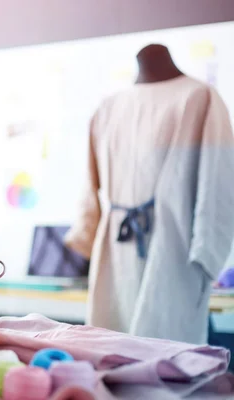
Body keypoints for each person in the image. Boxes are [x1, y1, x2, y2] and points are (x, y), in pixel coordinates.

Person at [64, 44, 234, 344]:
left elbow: (218, 179)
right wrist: (87, 232)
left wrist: (205, 253)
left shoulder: (199, 97)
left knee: (168, 356)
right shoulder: (108, 108)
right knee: (111, 348)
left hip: (174, 252)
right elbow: (90, 183)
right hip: (116, 252)